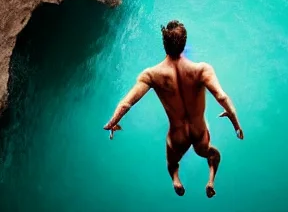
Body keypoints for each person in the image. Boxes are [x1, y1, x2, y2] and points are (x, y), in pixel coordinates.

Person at [104, 21, 243, 197]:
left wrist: (112, 122)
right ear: (184, 44)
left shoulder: (151, 75)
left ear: (164, 44)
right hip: (199, 132)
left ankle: (176, 180)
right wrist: (235, 122)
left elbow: (127, 103)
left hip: (177, 136)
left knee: (172, 163)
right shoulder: (201, 70)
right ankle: (210, 180)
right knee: (211, 153)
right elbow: (222, 97)